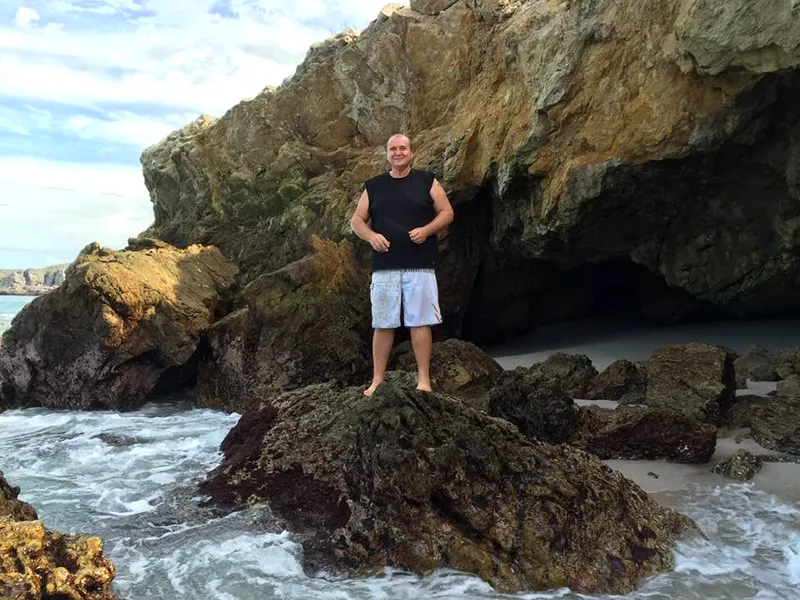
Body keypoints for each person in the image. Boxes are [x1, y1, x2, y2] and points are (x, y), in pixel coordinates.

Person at [350, 133, 454, 396]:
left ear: (411, 152)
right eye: (393, 149)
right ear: (387, 154)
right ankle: (377, 380)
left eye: (403, 148)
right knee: (383, 323)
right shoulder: (374, 186)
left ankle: (424, 380)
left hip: (420, 265)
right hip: (384, 266)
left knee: (420, 322)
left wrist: (427, 231)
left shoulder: (426, 181)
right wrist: (372, 237)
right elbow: (357, 221)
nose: (398, 153)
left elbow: (447, 212)